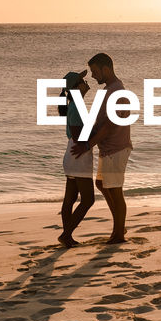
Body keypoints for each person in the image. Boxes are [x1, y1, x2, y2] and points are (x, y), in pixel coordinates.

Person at [71, 52, 132, 244]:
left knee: (115, 190)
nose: (93, 76)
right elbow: (101, 122)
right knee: (101, 184)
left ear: (106, 69)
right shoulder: (109, 90)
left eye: (95, 71)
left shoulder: (117, 91)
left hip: (116, 148)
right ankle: (119, 226)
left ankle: (119, 234)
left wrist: (89, 144)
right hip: (108, 149)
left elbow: (110, 125)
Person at [58, 69, 95, 247]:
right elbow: (79, 135)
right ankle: (66, 235)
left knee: (70, 200)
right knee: (88, 200)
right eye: (83, 81)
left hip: (71, 155)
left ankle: (68, 238)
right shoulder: (77, 106)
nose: (86, 83)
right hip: (78, 155)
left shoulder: (74, 104)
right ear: (76, 87)